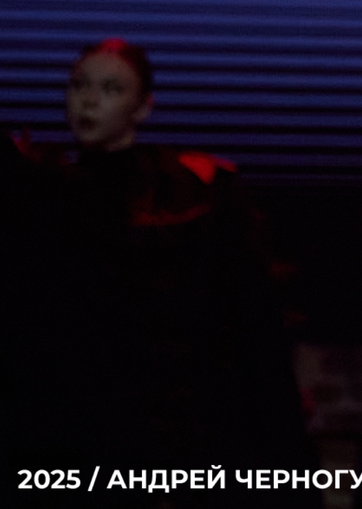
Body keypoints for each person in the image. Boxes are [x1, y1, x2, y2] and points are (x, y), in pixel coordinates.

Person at [1, 41, 305, 468]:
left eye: (111, 89)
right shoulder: (44, 196)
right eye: (79, 85)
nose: (88, 100)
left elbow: (247, 322)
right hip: (69, 428)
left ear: (142, 107)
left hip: (162, 426)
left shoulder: (190, 196)